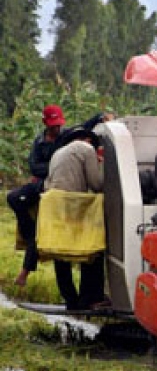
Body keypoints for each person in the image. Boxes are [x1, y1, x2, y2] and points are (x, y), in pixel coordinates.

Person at [6, 105, 110, 286]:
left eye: (58, 125)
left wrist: (100, 116)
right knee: (14, 198)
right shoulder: (40, 143)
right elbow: (34, 167)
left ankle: (28, 261)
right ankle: (28, 230)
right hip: (44, 184)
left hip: (55, 188)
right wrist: (58, 167)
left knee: (53, 242)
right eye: (52, 126)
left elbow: (84, 126)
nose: (56, 129)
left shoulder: (67, 137)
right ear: (45, 123)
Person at [43, 129, 107, 310]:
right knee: (92, 249)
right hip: (73, 204)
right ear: (88, 140)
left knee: (61, 253)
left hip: (54, 205)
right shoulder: (86, 149)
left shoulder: (58, 152)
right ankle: (91, 298)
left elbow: (49, 182)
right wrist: (102, 164)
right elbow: (97, 184)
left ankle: (70, 298)